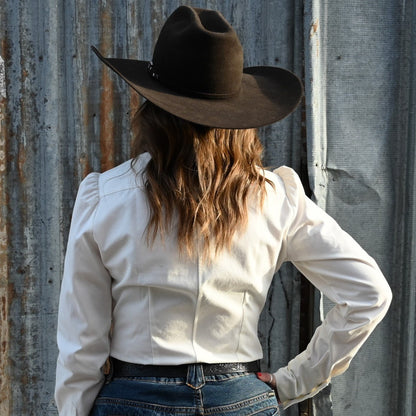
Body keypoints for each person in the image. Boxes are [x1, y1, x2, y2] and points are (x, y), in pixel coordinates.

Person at [54, 5, 392, 416]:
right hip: (241, 399)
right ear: (240, 117)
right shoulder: (277, 198)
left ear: (153, 111)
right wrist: (292, 384)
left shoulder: (103, 198)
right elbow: (368, 294)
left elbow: (81, 340)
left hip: (134, 400)